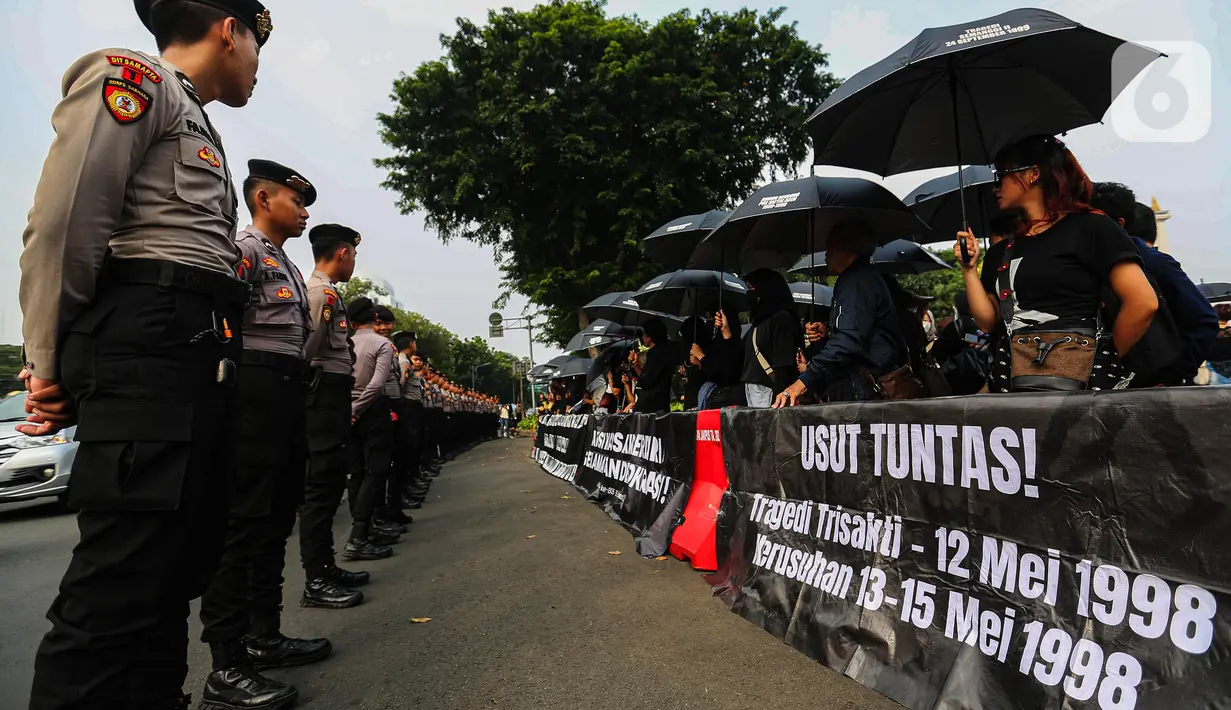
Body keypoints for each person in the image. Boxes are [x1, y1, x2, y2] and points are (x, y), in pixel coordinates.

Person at [19, 2, 270, 707]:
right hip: (151, 339)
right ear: (229, 28)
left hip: (191, 346)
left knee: (172, 572)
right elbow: (66, 225)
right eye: (256, 44)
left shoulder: (191, 114)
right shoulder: (132, 80)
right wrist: (46, 361)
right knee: (122, 584)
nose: (256, 65)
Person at [196, 159, 334, 708]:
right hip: (252, 390)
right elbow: (219, 320)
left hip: (285, 391)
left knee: (275, 518)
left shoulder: (285, 263)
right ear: (263, 198)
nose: (303, 212)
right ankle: (226, 664)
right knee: (244, 522)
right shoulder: (247, 248)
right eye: (296, 201)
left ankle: (264, 635)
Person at [957, 135, 1159, 393]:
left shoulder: (1091, 228)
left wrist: (1100, 361)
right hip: (1016, 388)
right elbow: (988, 321)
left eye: (1002, 176)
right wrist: (969, 269)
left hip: (1077, 392)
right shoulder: (1001, 251)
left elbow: (1143, 302)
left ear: (1032, 174)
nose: (995, 187)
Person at [299, 224, 375, 602]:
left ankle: (325, 566)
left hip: (333, 395)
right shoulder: (320, 293)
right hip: (321, 395)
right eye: (354, 254)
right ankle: (316, 579)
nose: (354, 261)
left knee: (330, 486)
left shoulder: (329, 293)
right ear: (343, 253)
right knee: (320, 488)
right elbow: (306, 350)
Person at [1090, 183, 1218, 385]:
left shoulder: (1152, 263)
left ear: (1118, 223)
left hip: (1150, 388)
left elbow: (1204, 321)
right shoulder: (1087, 265)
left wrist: (1172, 377)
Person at [774, 222, 909, 407]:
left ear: (845, 249)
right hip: (868, 387)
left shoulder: (856, 281)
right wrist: (828, 332)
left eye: (829, 246)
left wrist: (803, 381)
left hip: (867, 392)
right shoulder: (865, 278)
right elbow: (860, 329)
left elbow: (848, 341)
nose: (826, 254)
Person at [346, 298, 400, 557]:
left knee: (357, 472)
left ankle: (363, 531)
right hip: (373, 409)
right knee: (375, 471)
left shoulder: (347, 343)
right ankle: (358, 536)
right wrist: (360, 409)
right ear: (374, 320)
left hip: (349, 410)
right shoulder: (382, 345)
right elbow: (377, 384)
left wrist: (351, 410)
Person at [742, 269, 805, 407]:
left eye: (752, 288)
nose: (749, 294)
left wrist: (779, 396)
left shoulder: (782, 319)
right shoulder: (759, 321)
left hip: (769, 391)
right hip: (753, 388)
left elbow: (783, 362)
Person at [391, 330, 431, 513]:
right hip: (406, 408)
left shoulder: (405, 361)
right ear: (411, 344)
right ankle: (404, 491)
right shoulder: (402, 361)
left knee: (414, 447)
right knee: (407, 449)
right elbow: (400, 385)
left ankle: (409, 485)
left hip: (412, 409)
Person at [691, 307, 744, 409]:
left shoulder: (736, 345)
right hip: (716, 400)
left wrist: (701, 357)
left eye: (712, 318)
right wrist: (699, 363)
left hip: (727, 401)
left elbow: (724, 372)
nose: (710, 323)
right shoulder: (716, 342)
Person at [631, 319, 676, 414]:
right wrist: (635, 365)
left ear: (650, 336)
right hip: (661, 401)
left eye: (644, 334)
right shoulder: (668, 351)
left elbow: (647, 380)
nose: (642, 337)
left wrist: (635, 367)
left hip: (651, 404)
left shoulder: (656, 353)